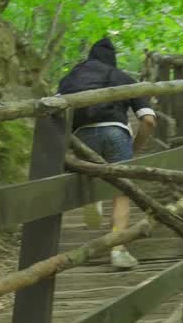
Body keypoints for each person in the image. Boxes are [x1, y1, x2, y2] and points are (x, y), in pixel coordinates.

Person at [58, 37, 157, 270]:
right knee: (121, 192)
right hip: (116, 132)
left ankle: (92, 195)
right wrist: (135, 147)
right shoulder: (121, 77)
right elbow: (149, 121)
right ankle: (118, 249)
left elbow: (58, 114)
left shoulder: (70, 78)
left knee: (90, 170)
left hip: (82, 137)